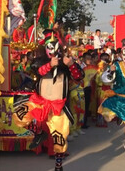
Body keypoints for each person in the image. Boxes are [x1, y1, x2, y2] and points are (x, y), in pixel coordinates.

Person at [12, 29, 84, 171]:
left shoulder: (67, 63)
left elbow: (79, 77)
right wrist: (50, 65)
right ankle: (39, 132)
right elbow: (36, 71)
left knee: (59, 138)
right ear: (45, 48)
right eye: (49, 46)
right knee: (18, 115)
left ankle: (58, 165)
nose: (53, 49)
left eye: (55, 45)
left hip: (58, 107)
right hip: (39, 102)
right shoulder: (39, 62)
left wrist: (70, 65)